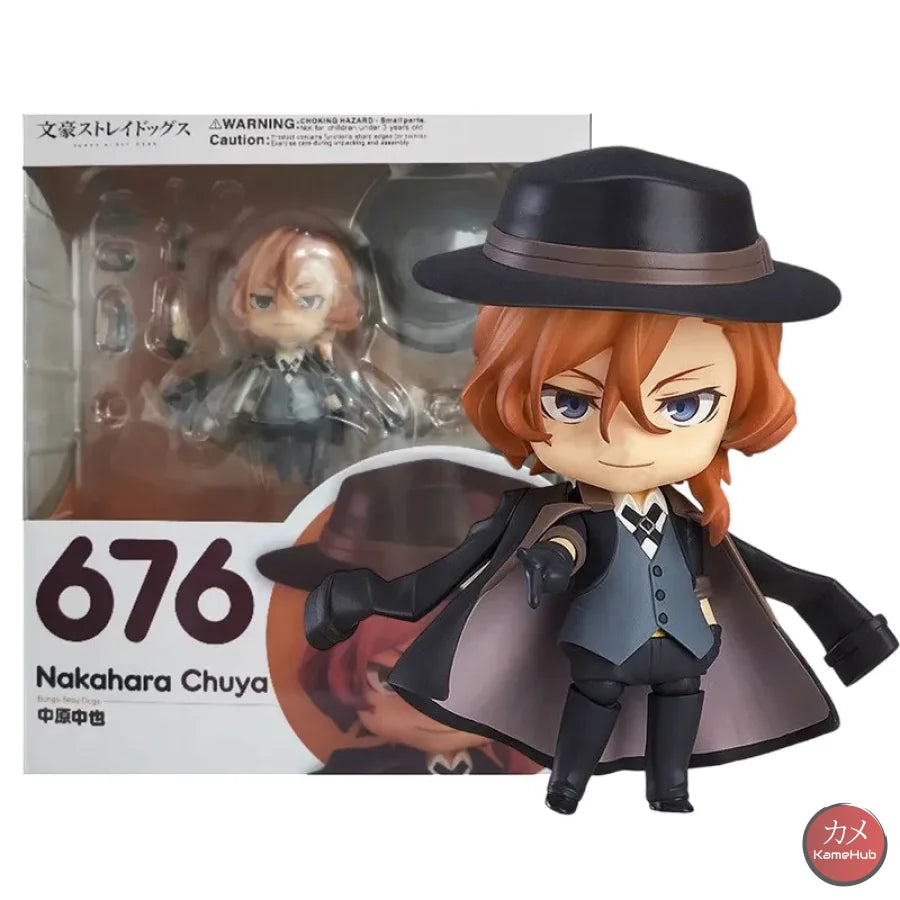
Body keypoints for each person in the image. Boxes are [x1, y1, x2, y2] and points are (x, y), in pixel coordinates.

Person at [261, 148, 897, 814]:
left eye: (683, 406)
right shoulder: (561, 519)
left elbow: (760, 569)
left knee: (680, 705)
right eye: (571, 403)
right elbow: (505, 561)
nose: (624, 441)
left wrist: (829, 607)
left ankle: (670, 790)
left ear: (739, 403)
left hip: (684, 651)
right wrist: (546, 562)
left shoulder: (687, 522)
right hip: (601, 653)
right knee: (590, 702)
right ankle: (566, 785)